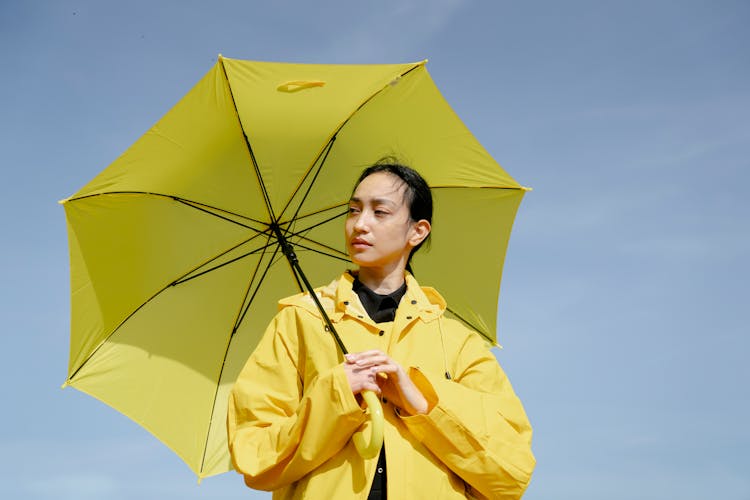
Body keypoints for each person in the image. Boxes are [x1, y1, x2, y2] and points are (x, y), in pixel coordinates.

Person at [227, 161, 535, 499]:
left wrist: (420, 398)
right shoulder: (301, 321)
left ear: (417, 231)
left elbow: (511, 472)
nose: (360, 224)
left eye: (380, 212)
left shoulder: (457, 343)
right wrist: (338, 393)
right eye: (353, 210)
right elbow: (254, 454)